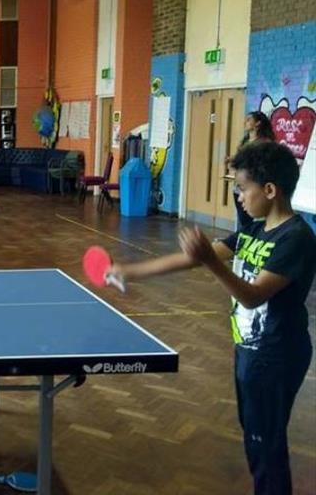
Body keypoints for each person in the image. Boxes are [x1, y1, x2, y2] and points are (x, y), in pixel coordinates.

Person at [107, 142, 315, 495]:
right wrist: (130, 271)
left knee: (266, 446)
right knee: (256, 437)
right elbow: (190, 259)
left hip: (277, 355)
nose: (238, 196)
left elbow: (252, 295)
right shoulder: (254, 230)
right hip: (251, 351)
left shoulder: (297, 239)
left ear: (269, 190)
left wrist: (211, 261)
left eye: (242, 188)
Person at [231, 111, 275, 229]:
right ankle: (241, 242)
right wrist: (233, 161)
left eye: (249, 120)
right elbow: (240, 160)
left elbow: (264, 164)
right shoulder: (244, 142)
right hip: (239, 185)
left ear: (258, 124)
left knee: (252, 220)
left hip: (253, 185)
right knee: (242, 218)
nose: (245, 122)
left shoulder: (264, 143)